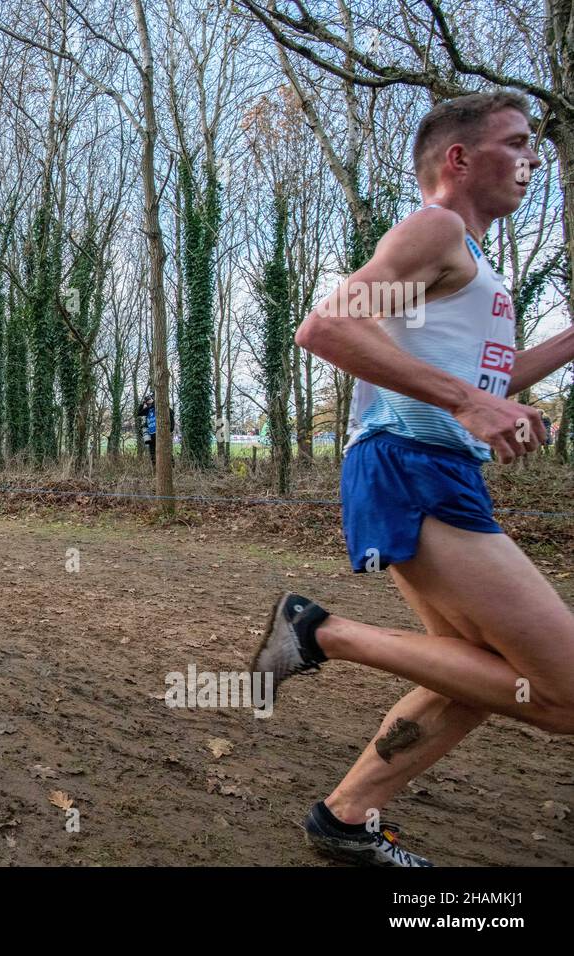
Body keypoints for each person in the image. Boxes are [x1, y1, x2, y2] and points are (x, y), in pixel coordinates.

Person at [252, 92, 574, 867]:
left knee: (486, 676)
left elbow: (482, 375)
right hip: (410, 468)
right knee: (564, 692)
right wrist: (468, 402)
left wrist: (503, 391)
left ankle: (347, 815)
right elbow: (325, 328)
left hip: (431, 470)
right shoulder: (438, 229)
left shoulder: (470, 262)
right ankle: (317, 631)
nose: (535, 161)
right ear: (459, 159)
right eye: (519, 143)